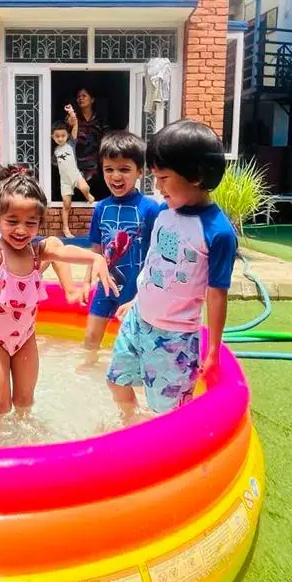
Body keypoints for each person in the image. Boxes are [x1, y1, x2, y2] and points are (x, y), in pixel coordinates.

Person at [107, 120, 237, 419]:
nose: (157, 186)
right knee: (116, 381)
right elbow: (154, 263)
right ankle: (130, 428)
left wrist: (214, 348)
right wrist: (137, 299)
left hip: (175, 336)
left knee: (167, 412)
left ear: (196, 176)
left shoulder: (217, 232)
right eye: (154, 176)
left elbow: (217, 294)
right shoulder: (164, 212)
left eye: (164, 177)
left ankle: (161, 452)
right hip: (139, 320)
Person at [0, 171, 115, 416]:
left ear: (40, 222)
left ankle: (25, 443)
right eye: (12, 221)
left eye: (30, 223)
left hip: (25, 338)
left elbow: (64, 251)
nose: (21, 230)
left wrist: (95, 257)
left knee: (25, 402)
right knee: (0, 406)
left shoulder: (37, 252)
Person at [71, 131, 161, 362]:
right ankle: (88, 376)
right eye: (109, 169)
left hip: (136, 288)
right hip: (106, 285)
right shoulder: (101, 208)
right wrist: (86, 282)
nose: (116, 176)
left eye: (124, 169)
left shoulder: (151, 209)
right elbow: (97, 251)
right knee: (90, 339)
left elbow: (156, 254)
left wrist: (148, 292)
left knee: (132, 346)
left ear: (140, 171)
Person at [51, 121, 95, 236]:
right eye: (57, 136)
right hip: (64, 181)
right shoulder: (55, 151)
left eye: (63, 136)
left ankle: (87, 195)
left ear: (67, 136)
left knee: (85, 187)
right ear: (53, 137)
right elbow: (55, 164)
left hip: (76, 175)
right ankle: (66, 228)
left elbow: (75, 127)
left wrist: (73, 117)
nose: (60, 139)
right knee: (66, 204)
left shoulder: (70, 144)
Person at [64, 87, 105, 198]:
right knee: (78, 195)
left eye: (84, 96)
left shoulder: (100, 120)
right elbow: (64, 138)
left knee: (95, 194)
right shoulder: (72, 118)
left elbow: (106, 140)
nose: (80, 98)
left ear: (92, 100)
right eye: (78, 97)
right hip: (76, 162)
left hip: (95, 165)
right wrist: (70, 124)